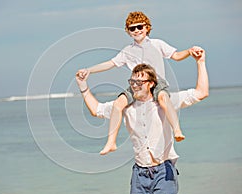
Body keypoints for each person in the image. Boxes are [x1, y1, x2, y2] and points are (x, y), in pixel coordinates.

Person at [76, 48, 209, 194]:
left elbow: (201, 92)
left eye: (140, 82)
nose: (135, 85)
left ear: (151, 84)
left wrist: (201, 62)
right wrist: (82, 86)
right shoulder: (126, 108)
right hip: (139, 175)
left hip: (163, 172)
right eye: (132, 82)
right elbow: (96, 110)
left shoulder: (166, 102)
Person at [77, 11, 197, 155]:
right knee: (118, 104)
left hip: (157, 82)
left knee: (164, 99)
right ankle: (111, 142)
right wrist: (89, 70)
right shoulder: (127, 51)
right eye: (132, 28)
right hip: (137, 86)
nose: (136, 31)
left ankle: (177, 129)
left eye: (139, 27)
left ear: (147, 27)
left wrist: (190, 52)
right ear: (128, 31)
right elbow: (110, 63)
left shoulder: (157, 44)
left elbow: (176, 56)